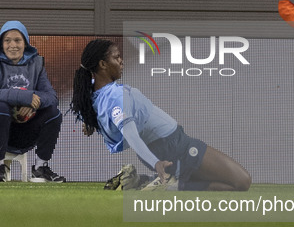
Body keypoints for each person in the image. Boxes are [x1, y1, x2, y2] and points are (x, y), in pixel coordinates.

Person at [70, 39, 251, 191]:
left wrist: (89, 123)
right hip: (174, 147)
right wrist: (156, 163)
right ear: (102, 64)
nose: (121, 61)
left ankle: (153, 183)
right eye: (116, 57)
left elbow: (102, 115)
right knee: (242, 181)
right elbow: (131, 135)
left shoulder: (93, 96)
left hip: (164, 148)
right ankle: (158, 183)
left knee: (224, 185)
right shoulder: (115, 96)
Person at [0, 20, 65, 182]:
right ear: (0, 44)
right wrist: (24, 97)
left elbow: (52, 97)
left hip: (19, 133)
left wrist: (34, 104)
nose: (13, 45)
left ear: (25, 44)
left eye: (18, 40)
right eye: (7, 41)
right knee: (1, 107)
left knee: (53, 113)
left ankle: (41, 167)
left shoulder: (36, 63)